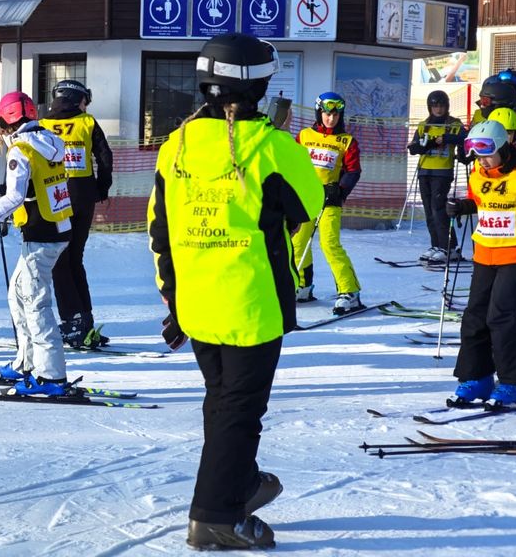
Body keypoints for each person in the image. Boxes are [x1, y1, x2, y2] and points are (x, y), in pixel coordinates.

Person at [148, 33, 323, 550]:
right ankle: (215, 516)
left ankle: (241, 483)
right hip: (252, 303)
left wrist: (170, 292)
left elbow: (160, 228)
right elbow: (309, 205)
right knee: (240, 412)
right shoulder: (273, 147)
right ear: (259, 87)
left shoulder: (175, 145)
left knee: (221, 401)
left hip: (196, 301)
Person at [0, 91, 75, 396]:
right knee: (17, 294)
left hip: (41, 233)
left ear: (3, 122)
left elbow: (15, 197)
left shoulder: (21, 149)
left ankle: (51, 376)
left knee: (35, 304)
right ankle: (26, 362)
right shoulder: (48, 140)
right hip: (55, 228)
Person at [445, 120, 516, 407]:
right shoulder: (477, 174)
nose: (482, 160)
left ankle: (514, 381)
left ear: (503, 148)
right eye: (477, 154)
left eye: (487, 153)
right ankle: (478, 377)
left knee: (500, 316)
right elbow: (480, 201)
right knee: (474, 316)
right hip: (485, 253)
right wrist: (462, 206)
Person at [38, 79, 114, 348]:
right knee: (75, 258)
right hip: (83, 196)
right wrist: (101, 188)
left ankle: (73, 321)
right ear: (75, 99)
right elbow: (105, 158)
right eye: (84, 101)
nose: (85, 107)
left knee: (61, 260)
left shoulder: (42, 125)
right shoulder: (88, 123)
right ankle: (85, 321)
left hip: (55, 197)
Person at [290, 91, 363, 314]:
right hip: (306, 198)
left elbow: (353, 171)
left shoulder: (346, 141)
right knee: (298, 242)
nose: (331, 119)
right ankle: (303, 286)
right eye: (327, 114)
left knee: (329, 244)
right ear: (319, 113)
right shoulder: (304, 136)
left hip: (330, 200)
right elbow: (294, 164)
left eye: (336, 115)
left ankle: (349, 291)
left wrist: (340, 190)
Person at [407, 90, 466, 264]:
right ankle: (436, 245)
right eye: (435, 106)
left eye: (441, 106)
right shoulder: (424, 125)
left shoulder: (454, 124)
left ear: (447, 106)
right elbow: (415, 146)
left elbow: (464, 138)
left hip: (442, 171)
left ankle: (448, 247)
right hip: (425, 171)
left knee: (438, 209)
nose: (438, 110)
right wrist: (417, 146)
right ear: (430, 107)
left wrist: (446, 138)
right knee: (429, 211)